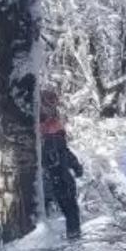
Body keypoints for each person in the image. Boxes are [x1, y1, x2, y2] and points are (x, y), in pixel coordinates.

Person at [39, 89, 83, 240]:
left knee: (71, 208)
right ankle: (42, 244)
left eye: (54, 101)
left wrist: (75, 164)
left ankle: (74, 238)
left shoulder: (56, 121)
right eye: (49, 101)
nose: (52, 105)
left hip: (62, 173)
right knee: (42, 211)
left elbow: (63, 149)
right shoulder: (36, 122)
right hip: (47, 175)